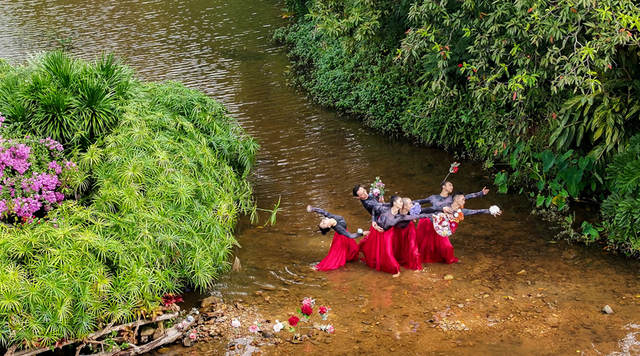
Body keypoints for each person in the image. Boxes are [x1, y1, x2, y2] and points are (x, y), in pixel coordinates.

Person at [417, 192, 501, 264]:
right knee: (425, 245)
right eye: (463, 199)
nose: (464, 201)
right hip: (430, 225)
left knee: (447, 247)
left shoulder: (461, 211)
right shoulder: (444, 206)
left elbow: (475, 212)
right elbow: (430, 209)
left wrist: (490, 211)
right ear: (457, 199)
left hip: (442, 230)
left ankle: (447, 263)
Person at [359, 196, 430, 276]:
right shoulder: (387, 209)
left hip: (405, 229)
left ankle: (413, 266)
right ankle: (395, 268)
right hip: (389, 231)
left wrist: (431, 215)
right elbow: (375, 208)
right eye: (400, 202)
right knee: (389, 249)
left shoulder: (402, 214)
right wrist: (373, 221)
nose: (402, 203)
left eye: (402, 202)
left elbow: (419, 214)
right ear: (395, 203)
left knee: (412, 247)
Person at [307, 205, 370, 271]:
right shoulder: (338, 228)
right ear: (328, 226)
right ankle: (319, 267)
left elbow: (322, 211)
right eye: (323, 223)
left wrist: (312, 209)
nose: (323, 221)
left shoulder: (329, 217)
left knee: (354, 249)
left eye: (322, 222)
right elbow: (350, 236)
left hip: (345, 234)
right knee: (338, 254)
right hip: (342, 237)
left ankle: (349, 259)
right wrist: (361, 233)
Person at [414, 181, 489, 213]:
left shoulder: (452, 198)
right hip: (430, 220)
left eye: (452, 185)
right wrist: (407, 203)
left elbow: (467, 197)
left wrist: (481, 193)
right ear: (444, 186)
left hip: (442, 223)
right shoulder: (433, 197)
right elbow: (420, 201)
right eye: (450, 185)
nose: (452, 187)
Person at [392, 198, 422, 271]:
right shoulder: (395, 211)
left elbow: (425, 212)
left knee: (412, 246)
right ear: (405, 206)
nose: (412, 205)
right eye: (410, 203)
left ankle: (416, 265)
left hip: (409, 228)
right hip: (397, 230)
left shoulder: (412, 211)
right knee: (397, 246)